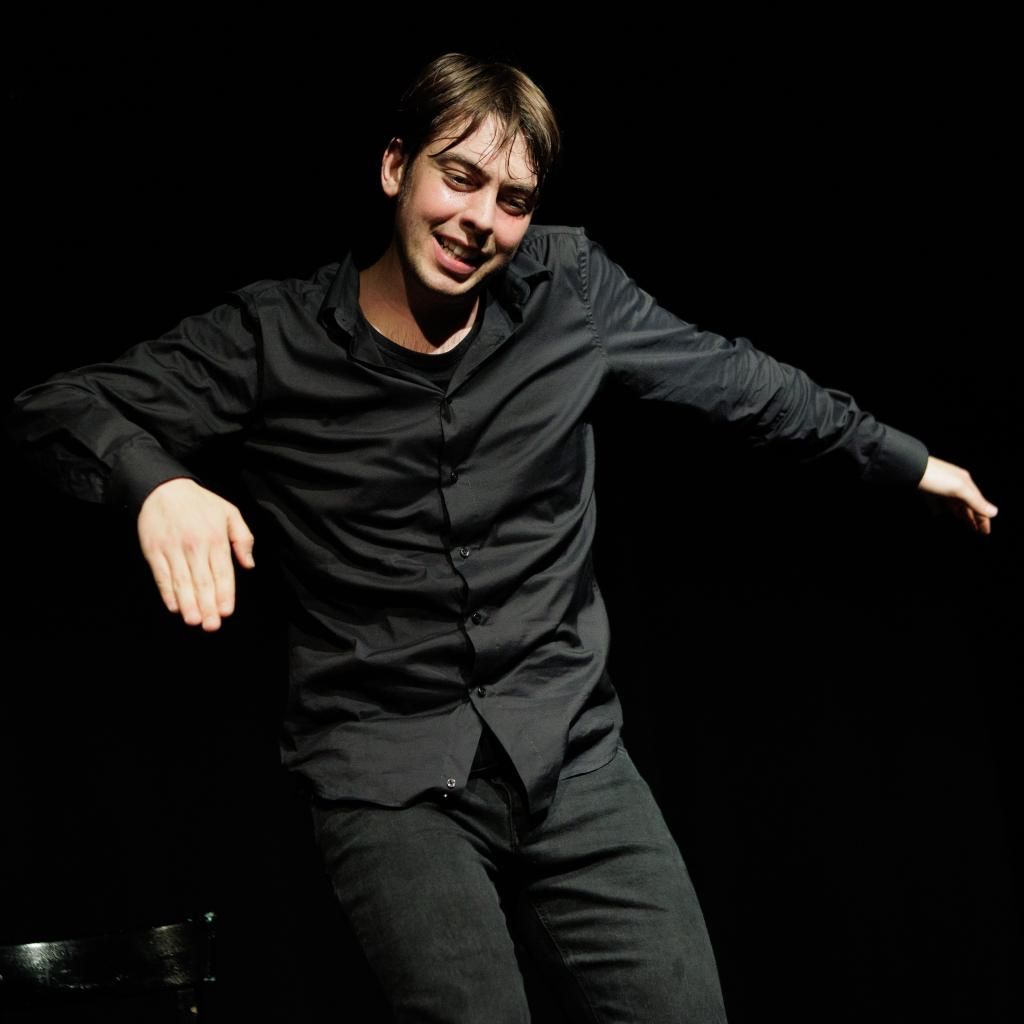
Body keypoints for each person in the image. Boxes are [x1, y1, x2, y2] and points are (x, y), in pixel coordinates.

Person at [8, 53, 997, 1023]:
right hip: (389, 780)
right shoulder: (273, 339)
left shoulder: (570, 291)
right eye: (459, 177)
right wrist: (157, 483)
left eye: (512, 200)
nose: (480, 218)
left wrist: (907, 461)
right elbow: (51, 407)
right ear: (396, 167)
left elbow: (739, 383)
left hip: (569, 754)